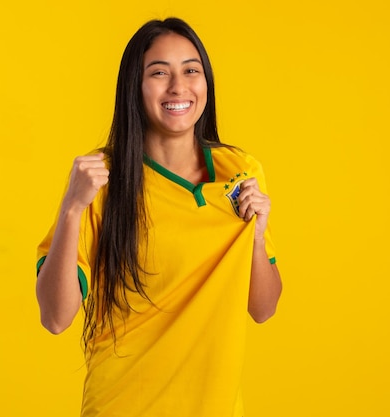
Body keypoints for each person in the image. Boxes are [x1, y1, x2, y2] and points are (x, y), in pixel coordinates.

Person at [36, 17, 282, 417]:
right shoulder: (101, 179)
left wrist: (256, 235)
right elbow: (55, 316)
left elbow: (263, 308)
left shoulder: (239, 170)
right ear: (135, 87)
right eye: (158, 73)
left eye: (190, 70)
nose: (178, 87)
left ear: (206, 82)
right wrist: (72, 209)